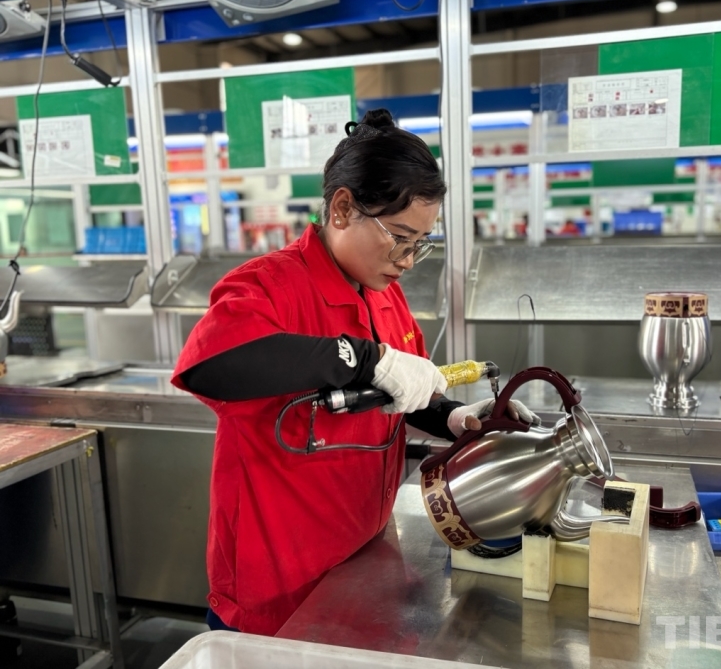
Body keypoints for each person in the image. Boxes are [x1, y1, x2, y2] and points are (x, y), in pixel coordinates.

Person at [171, 109, 539, 636]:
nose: (408, 259)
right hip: (277, 582)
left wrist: (454, 416)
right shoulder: (270, 286)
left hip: (362, 556)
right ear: (343, 209)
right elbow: (210, 367)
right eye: (400, 237)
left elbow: (395, 394)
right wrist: (364, 358)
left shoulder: (384, 293)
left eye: (421, 243)